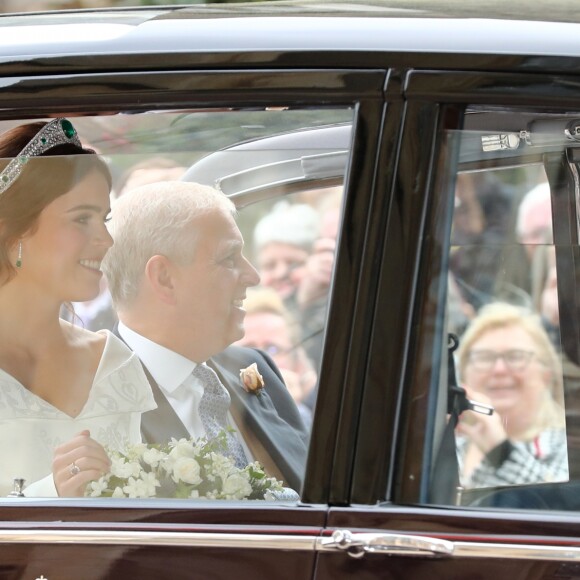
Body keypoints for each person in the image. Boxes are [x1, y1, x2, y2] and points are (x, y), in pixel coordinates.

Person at [102, 181, 309, 492]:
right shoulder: (94, 401)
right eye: (229, 258)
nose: (254, 276)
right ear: (164, 278)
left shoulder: (254, 367)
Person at [0, 118, 156, 498]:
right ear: (14, 230)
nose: (105, 239)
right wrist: (48, 494)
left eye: (103, 219)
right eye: (82, 218)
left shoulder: (114, 363)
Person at [456, 302, 568, 489]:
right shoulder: (440, 449)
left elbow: (559, 508)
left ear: (546, 375)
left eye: (516, 357)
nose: (499, 369)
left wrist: (501, 454)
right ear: (464, 373)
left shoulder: (567, 448)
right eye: (484, 357)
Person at [235, 287, 317, 427]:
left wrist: (291, 408)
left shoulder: (315, 410)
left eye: (273, 349)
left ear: (297, 362)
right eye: (248, 349)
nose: (259, 361)